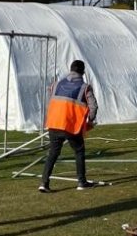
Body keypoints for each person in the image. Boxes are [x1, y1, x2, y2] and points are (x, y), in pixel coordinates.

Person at [38, 59, 98, 193]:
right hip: (71, 125)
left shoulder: (56, 84)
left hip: (54, 123)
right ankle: (81, 182)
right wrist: (90, 121)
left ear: (70, 70)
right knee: (79, 151)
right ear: (83, 72)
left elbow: (52, 98)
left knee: (53, 153)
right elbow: (93, 107)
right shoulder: (85, 87)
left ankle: (44, 183)